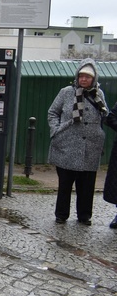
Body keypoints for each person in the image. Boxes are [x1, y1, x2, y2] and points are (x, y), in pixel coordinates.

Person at [47, 59, 107, 226]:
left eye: (87, 77)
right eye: (81, 76)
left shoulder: (98, 95)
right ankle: (61, 214)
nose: (83, 79)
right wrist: (56, 130)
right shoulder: (66, 92)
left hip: (91, 147)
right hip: (66, 144)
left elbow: (104, 115)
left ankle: (84, 215)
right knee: (65, 184)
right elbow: (52, 112)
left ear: (93, 78)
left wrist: (99, 133)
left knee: (87, 185)